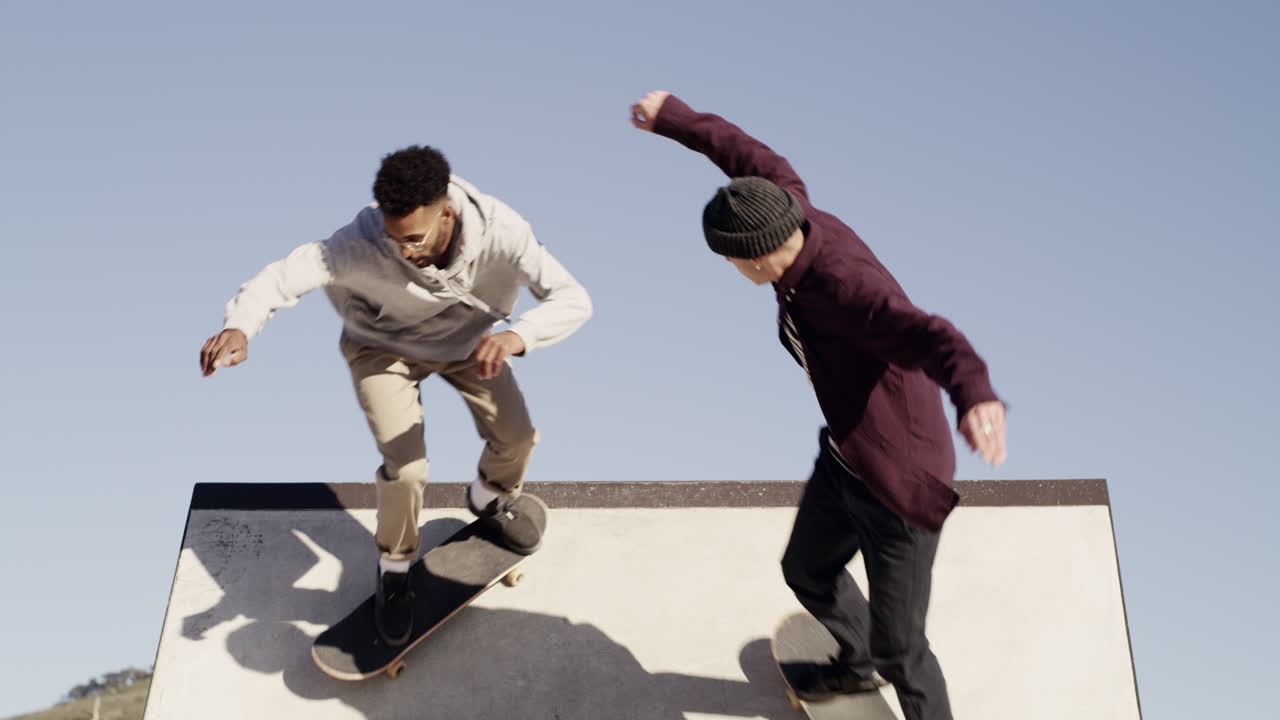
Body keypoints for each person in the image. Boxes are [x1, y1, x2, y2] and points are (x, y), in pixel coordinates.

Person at [630, 90, 1007, 720]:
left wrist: (973, 392)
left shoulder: (844, 288)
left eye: (728, 260)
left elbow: (924, 332)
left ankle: (887, 671)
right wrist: (673, 117)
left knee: (904, 650)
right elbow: (746, 154)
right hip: (846, 454)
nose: (730, 269)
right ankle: (853, 665)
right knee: (806, 572)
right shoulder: (787, 206)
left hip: (901, 481)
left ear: (750, 257)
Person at [199, 146, 592, 647]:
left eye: (413, 239)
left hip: (471, 344)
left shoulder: (504, 232)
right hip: (380, 350)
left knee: (518, 437)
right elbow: (282, 276)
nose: (404, 251)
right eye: (393, 238)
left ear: (446, 212)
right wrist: (240, 327)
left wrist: (519, 336)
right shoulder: (360, 240)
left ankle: (490, 497)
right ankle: (395, 569)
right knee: (406, 468)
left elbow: (574, 298)